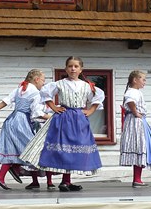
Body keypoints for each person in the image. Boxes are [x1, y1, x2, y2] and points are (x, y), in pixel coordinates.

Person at [20, 56, 104, 192]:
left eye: (76, 66)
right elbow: (46, 94)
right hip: (63, 117)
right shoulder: (60, 83)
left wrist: (90, 110)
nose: (73, 69)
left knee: (73, 148)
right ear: (66, 68)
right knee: (62, 148)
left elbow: (97, 98)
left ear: (81, 69)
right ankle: (65, 181)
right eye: (70, 66)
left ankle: (67, 181)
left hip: (79, 118)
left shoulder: (86, 86)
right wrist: (54, 107)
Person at [0, 69, 53, 190]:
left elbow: (6, 100)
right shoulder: (36, 93)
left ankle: (3, 176)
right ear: (37, 79)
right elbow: (37, 113)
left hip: (11, 120)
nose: (43, 83)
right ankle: (15, 168)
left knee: (13, 148)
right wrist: (53, 118)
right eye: (43, 80)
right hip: (22, 122)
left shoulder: (19, 89)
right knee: (32, 149)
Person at [119, 70, 151, 187]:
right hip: (136, 121)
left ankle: (137, 179)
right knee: (139, 146)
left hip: (137, 120)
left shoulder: (135, 91)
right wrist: (136, 112)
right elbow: (130, 101)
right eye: (143, 79)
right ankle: (137, 179)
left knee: (140, 147)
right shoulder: (133, 91)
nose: (144, 82)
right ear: (135, 80)